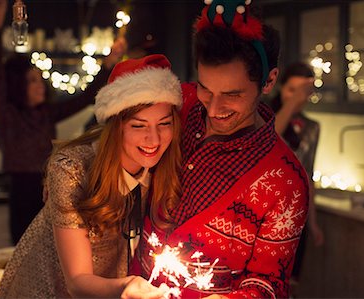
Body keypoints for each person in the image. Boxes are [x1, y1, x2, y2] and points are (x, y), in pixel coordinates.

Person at [128, 2, 309, 298]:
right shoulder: (179, 105)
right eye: (206, 89)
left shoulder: (285, 182)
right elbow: (118, 138)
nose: (213, 109)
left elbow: (269, 283)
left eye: (232, 95)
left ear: (269, 81)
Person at [0, 54, 182, 298]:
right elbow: (77, 281)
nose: (154, 139)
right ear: (115, 127)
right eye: (139, 125)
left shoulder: (164, 163)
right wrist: (126, 287)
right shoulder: (71, 170)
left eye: (164, 124)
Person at [0, 0, 127, 244]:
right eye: (32, 81)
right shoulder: (5, 114)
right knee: (22, 246)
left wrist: (109, 64)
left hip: (49, 186)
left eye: (40, 80)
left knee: (52, 248)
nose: (40, 85)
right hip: (22, 189)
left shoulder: (47, 112)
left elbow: (85, 98)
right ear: (17, 86)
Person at [269, 62, 324, 287]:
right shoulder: (265, 117)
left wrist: (313, 223)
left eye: (303, 92)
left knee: (290, 282)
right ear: (280, 88)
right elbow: (268, 139)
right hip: (269, 208)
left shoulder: (312, 127)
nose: (298, 97)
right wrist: (291, 103)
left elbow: (308, 175)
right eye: (292, 90)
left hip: (297, 214)